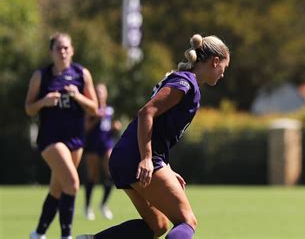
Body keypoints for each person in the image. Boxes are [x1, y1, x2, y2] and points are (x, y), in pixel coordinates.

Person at [77, 33, 230, 239]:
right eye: (224, 68)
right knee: (187, 221)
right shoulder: (186, 83)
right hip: (136, 156)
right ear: (215, 61)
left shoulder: (185, 81)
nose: (223, 74)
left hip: (125, 156)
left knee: (156, 225)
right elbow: (146, 113)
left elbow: (159, 130)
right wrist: (147, 158)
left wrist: (165, 168)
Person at [25, 33, 98, 239]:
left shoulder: (82, 74)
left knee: (57, 189)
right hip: (50, 139)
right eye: (58, 48)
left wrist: (78, 96)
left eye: (66, 48)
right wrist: (43, 102)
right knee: (73, 184)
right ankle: (66, 235)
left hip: (76, 140)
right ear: (51, 52)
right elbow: (29, 108)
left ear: (72, 50)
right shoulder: (41, 76)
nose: (63, 51)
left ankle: (38, 233)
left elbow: (94, 109)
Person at [83, 83, 122, 220]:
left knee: (111, 173)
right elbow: (86, 127)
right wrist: (97, 118)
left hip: (106, 145)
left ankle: (103, 205)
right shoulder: (91, 109)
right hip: (92, 146)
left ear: (106, 94)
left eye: (101, 92)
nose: (99, 94)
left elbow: (108, 128)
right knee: (92, 177)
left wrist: (115, 128)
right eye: (97, 91)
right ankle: (87, 207)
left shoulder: (110, 110)